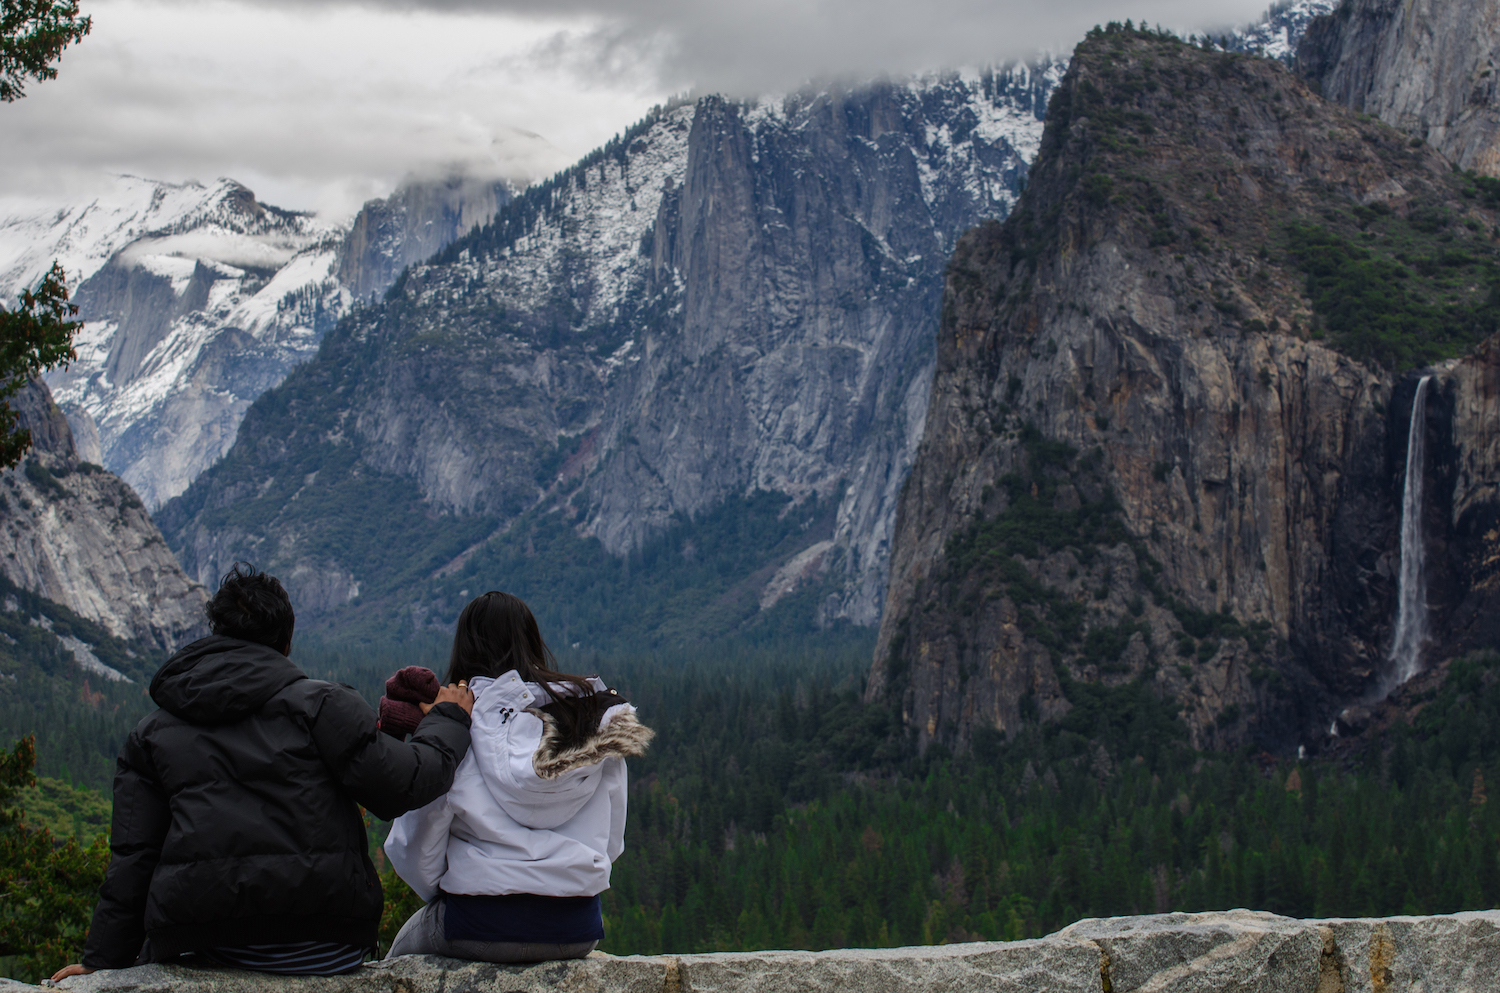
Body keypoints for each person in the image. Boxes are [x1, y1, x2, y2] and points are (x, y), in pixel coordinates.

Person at [49, 563, 475, 981]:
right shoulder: (324, 706)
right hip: (323, 943)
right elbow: (404, 784)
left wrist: (103, 960)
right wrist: (447, 719)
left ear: (218, 633)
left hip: (202, 944)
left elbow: (134, 855)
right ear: (286, 641)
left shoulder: (152, 733)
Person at [383, 591, 653, 962]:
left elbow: (416, 846)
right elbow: (611, 841)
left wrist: (460, 892)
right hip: (574, 929)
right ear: (532, 644)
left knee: (397, 957)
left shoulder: (453, 726)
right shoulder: (589, 722)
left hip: (477, 923)